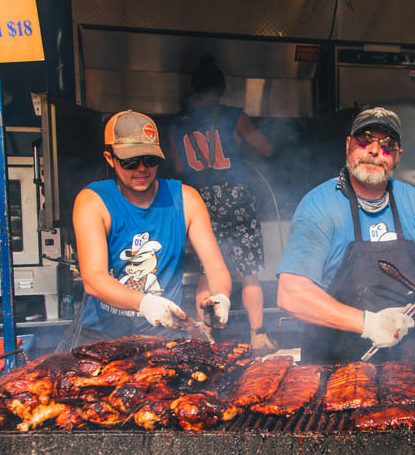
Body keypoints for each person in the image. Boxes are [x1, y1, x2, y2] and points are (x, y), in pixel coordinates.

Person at [276, 106, 415, 364]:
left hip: (406, 371)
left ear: (398, 156)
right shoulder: (319, 207)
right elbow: (291, 294)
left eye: (387, 145)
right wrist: (368, 324)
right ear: (348, 145)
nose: (374, 151)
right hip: (333, 371)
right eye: (364, 140)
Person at [70, 110, 232, 347]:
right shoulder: (93, 201)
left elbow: (215, 267)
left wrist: (221, 297)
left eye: (150, 159)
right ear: (109, 158)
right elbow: (94, 279)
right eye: (130, 162)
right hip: (102, 338)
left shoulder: (186, 199)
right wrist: (144, 303)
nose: (142, 169)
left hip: (164, 337)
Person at [168, 56, 276, 354]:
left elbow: (178, 166)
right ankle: (258, 336)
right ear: (222, 89)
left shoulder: (178, 122)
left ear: (193, 88)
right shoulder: (233, 116)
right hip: (236, 196)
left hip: (200, 199)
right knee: (248, 271)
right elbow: (265, 148)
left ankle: (205, 336)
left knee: (207, 269)